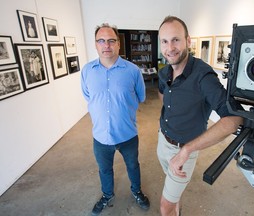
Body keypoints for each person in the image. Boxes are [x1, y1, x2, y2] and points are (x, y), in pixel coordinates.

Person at [157, 16, 243, 216]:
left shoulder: (203, 76)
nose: (170, 47)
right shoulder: (165, 72)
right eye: (164, 41)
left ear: (188, 41)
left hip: (182, 152)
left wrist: (187, 150)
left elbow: (234, 119)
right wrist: (163, 124)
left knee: (165, 206)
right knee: (173, 195)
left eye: (176, 39)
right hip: (163, 142)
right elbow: (163, 94)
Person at [81, 23, 150, 216]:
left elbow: (141, 97)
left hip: (127, 134)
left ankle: (136, 191)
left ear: (118, 44)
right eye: (101, 41)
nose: (106, 45)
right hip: (100, 137)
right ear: (95, 44)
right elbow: (89, 97)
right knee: (105, 170)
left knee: (133, 165)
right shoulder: (87, 71)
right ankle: (107, 194)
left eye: (111, 40)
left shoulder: (133, 71)